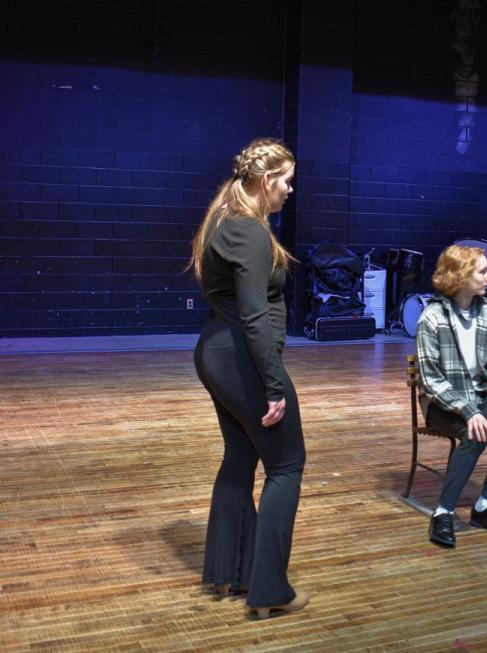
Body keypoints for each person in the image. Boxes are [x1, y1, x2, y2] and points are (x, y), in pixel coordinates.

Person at [188, 138, 308, 619]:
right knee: (287, 465)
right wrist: (274, 385)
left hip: (219, 351)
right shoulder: (249, 231)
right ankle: (269, 590)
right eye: (287, 181)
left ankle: (233, 572)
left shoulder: (225, 219)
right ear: (266, 180)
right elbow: (257, 316)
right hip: (240, 356)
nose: (290, 190)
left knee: (240, 456)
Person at [416, 245, 487, 548]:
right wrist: (469, 411)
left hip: (478, 399)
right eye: (482, 271)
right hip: (443, 406)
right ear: (460, 275)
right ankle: (443, 513)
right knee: (476, 434)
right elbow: (431, 381)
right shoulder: (432, 317)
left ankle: (485, 505)